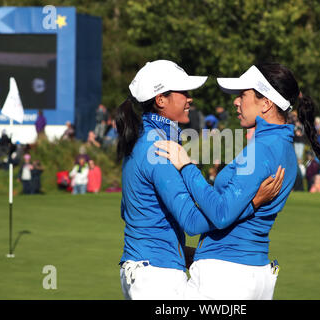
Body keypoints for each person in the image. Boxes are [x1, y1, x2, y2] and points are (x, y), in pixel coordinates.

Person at [155, 62, 320, 299]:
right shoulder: (282, 148)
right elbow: (230, 212)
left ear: (266, 102)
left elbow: (220, 213)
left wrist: (186, 166)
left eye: (243, 95)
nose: (236, 102)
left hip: (226, 277)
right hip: (252, 272)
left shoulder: (261, 150)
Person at [116, 60, 284, 300]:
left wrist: (176, 249)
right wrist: (253, 203)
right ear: (160, 100)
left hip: (144, 270)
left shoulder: (143, 138)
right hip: (157, 277)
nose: (189, 98)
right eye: (182, 92)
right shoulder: (159, 148)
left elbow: (130, 211)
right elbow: (193, 222)